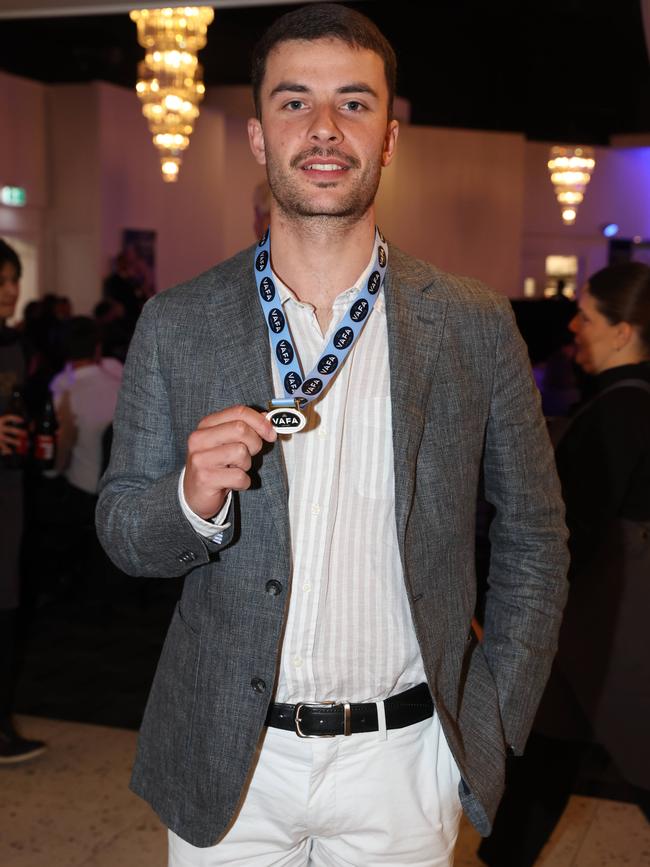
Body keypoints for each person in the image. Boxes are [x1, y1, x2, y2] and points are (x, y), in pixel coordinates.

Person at [96, 5, 568, 864]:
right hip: (230, 761)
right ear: (255, 135)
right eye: (294, 101)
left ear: (389, 134)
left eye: (354, 103)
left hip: (403, 763)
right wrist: (189, 500)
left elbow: (536, 536)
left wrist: (493, 715)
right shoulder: (178, 322)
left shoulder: (470, 322)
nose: (323, 128)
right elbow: (125, 529)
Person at [478, 261, 650, 866]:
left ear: (624, 331)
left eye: (587, 315)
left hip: (607, 639)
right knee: (547, 758)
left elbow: (566, 538)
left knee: (562, 759)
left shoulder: (621, 413)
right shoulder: (623, 405)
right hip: (596, 643)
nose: (573, 325)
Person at [0, 238, 46, 763]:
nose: (13, 292)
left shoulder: (17, 346)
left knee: (8, 610)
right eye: (4, 281)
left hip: (11, 493)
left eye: (15, 280)